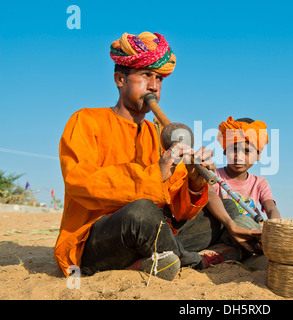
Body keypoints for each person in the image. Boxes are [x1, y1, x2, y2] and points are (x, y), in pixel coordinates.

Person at [54, 31, 260, 281]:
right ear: (120, 79)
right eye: (145, 75)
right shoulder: (86, 120)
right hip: (100, 239)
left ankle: (155, 260)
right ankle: (196, 260)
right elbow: (79, 183)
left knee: (219, 208)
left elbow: (179, 210)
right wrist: (155, 174)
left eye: (159, 78)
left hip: (155, 232)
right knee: (140, 213)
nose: (154, 86)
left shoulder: (159, 134)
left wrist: (195, 184)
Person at [208, 116, 281, 220]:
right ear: (225, 151)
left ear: (258, 156)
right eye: (234, 149)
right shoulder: (214, 176)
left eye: (247, 151)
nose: (239, 156)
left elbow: (271, 208)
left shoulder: (260, 183)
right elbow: (210, 197)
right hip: (224, 229)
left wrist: (275, 227)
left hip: (252, 230)